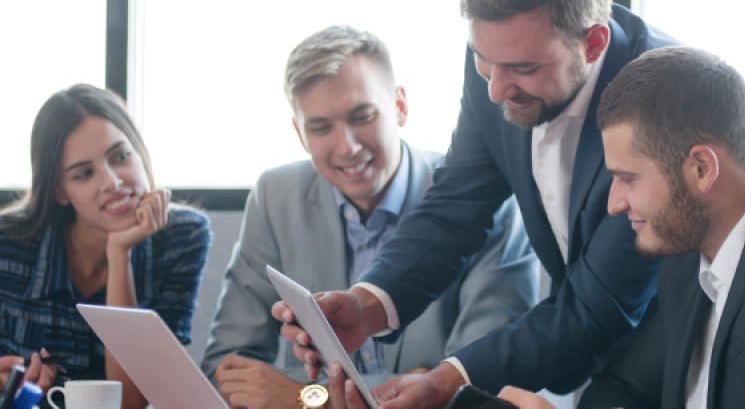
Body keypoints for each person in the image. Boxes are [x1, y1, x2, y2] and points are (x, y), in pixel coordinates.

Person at [275, 0, 680, 409]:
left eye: (524, 69)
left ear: (592, 44)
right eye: (483, 59)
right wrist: (368, 305)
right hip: (597, 360)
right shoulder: (500, 57)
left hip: (677, 356)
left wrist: (448, 380)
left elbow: (599, 306)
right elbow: (455, 206)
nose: (495, 91)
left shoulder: (662, 96)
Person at [493, 46, 745, 409]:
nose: (614, 203)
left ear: (702, 169)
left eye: (628, 178)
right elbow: (619, 388)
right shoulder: (687, 259)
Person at [202, 26, 539, 409]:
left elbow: (482, 386)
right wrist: (418, 377)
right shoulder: (274, 195)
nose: (347, 146)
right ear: (300, 133)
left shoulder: (480, 198)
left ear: (400, 107)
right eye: (321, 127)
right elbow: (226, 370)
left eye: (362, 116)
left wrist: (306, 399)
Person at [0, 84, 211, 409]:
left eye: (121, 156)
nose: (112, 182)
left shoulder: (182, 237)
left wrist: (120, 254)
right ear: (59, 191)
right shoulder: (8, 243)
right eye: (84, 173)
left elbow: (130, 402)